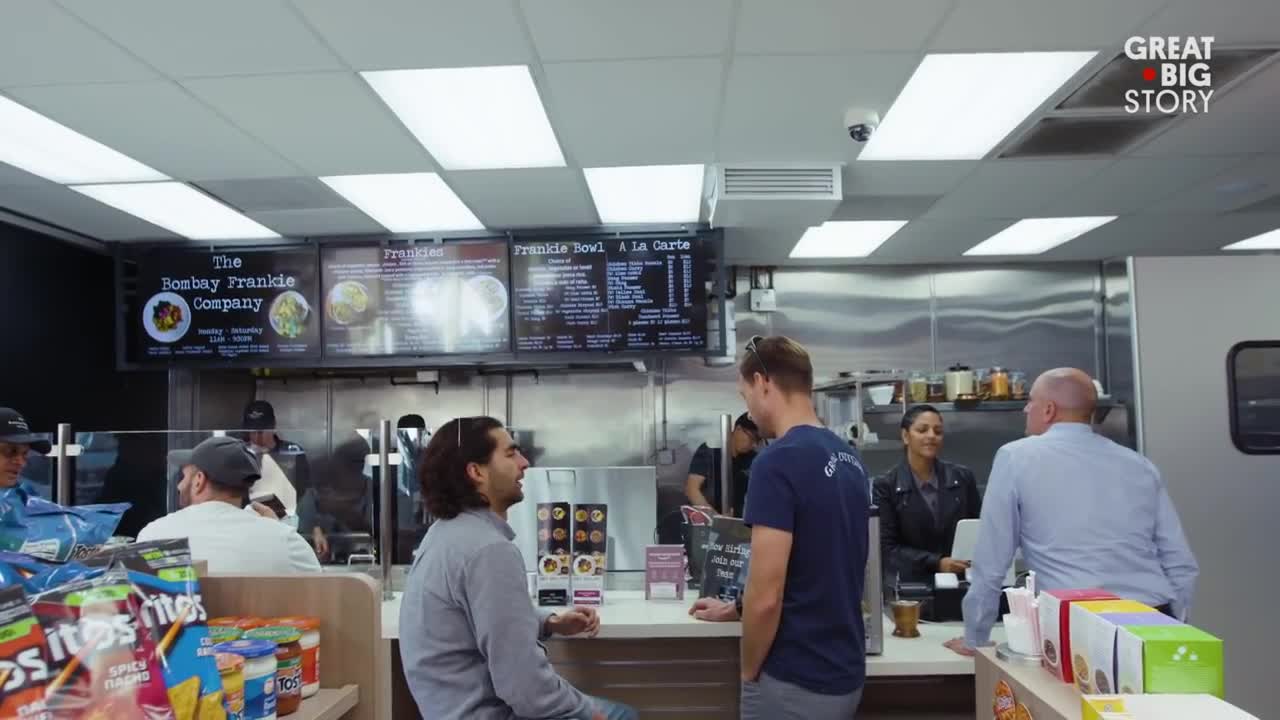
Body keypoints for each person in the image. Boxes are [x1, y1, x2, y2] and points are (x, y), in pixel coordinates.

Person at [946, 368, 1199, 656]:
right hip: (1154, 619)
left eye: (1031, 401)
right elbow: (1180, 562)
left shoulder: (1015, 457)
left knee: (1080, 703)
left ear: (1049, 409)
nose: (1026, 408)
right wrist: (1174, 625)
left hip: (1080, 626)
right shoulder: (1138, 464)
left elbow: (992, 560)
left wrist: (975, 637)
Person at [398, 416, 637, 720]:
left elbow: (478, 616)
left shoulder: (447, 533)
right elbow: (526, 688)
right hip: (487, 714)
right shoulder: (489, 549)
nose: (524, 463)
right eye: (511, 454)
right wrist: (588, 713)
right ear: (476, 472)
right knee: (621, 715)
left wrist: (549, 621)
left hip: (447, 711)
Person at [688, 336, 870, 719]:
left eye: (745, 396)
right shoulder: (849, 459)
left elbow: (767, 595)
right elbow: (817, 567)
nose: (749, 412)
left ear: (763, 383)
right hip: (845, 673)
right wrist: (735, 608)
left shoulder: (776, 462)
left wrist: (748, 671)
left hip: (795, 679)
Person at [136, 436, 322, 574]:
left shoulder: (153, 536)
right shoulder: (286, 541)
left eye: (184, 477)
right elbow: (318, 591)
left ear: (199, 480)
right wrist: (276, 530)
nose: (179, 485)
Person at [873, 405, 982, 585]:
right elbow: (887, 549)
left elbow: (978, 530)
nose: (931, 436)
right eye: (922, 430)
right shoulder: (886, 486)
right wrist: (937, 563)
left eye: (938, 431)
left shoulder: (962, 478)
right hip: (910, 589)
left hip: (959, 585)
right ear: (906, 436)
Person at [684, 412, 760, 515]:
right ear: (738, 429)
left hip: (739, 524)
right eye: (752, 438)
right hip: (709, 522)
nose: (754, 445)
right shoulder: (710, 451)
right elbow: (692, 490)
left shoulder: (753, 459)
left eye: (758, 441)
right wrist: (717, 520)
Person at [241, 400, 308, 515]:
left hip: (285, 519)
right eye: (252, 431)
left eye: (261, 431)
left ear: (273, 425)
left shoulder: (292, 452)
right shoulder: (239, 453)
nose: (257, 437)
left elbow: (305, 494)